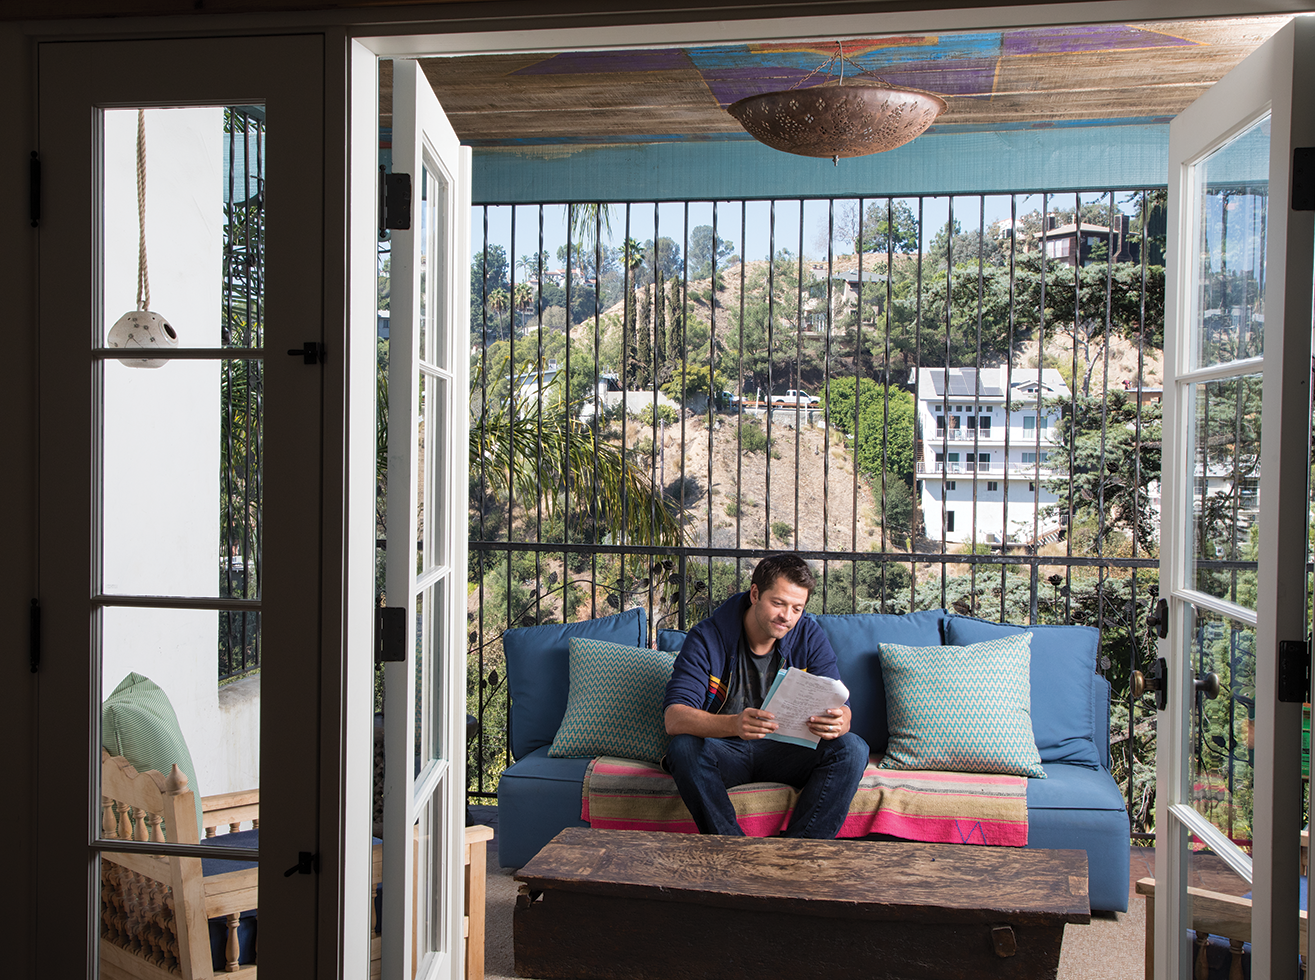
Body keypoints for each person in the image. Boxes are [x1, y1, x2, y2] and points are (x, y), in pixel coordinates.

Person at [662, 553, 868, 838]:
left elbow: (840, 703)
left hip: (788, 753)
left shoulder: (809, 635)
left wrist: (841, 720)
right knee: (683, 748)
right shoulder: (707, 638)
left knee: (853, 748)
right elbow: (674, 718)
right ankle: (733, 850)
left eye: (797, 608)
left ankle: (796, 856)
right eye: (779, 603)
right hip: (726, 751)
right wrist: (734, 725)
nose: (787, 616)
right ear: (756, 593)